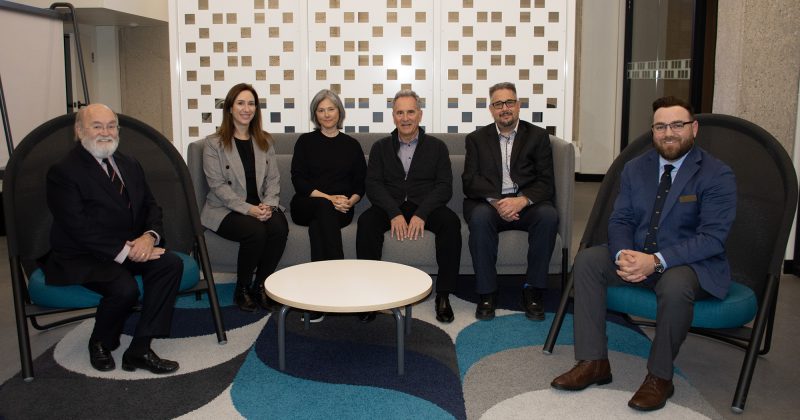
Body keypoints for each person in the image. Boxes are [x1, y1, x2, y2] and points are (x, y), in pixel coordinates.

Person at [550, 96, 737, 412]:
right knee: (588, 261)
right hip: (640, 256)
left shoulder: (717, 174)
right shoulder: (636, 168)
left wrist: (657, 261)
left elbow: (712, 238)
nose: (669, 133)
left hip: (689, 265)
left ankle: (660, 378)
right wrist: (625, 253)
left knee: (675, 285)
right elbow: (620, 218)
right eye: (661, 126)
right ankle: (594, 361)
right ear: (653, 131)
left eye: (677, 125)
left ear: (693, 128)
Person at [44, 103, 181, 374]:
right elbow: (77, 227)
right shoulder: (63, 171)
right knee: (124, 288)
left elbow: (151, 206)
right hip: (83, 255)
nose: (105, 132)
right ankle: (100, 342)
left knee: (170, 265)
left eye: (111, 126)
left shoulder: (129, 163)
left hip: (129, 247)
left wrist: (149, 237)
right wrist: (126, 251)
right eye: (97, 126)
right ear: (79, 130)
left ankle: (140, 349)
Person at [356, 89, 461, 324]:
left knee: (451, 223)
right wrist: (393, 213)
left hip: (425, 205)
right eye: (400, 113)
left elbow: (444, 186)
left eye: (410, 112)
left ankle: (443, 294)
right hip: (390, 205)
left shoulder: (437, 147)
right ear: (393, 116)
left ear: (420, 115)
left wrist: (422, 213)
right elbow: (373, 185)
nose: (405, 118)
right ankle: (368, 294)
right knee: (366, 222)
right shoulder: (380, 147)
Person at [462, 82, 558, 321]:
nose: (505, 108)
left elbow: (546, 182)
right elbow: (470, 181)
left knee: (548, 215)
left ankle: (533, 291)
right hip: (491, 204)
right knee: (480, 217)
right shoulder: (476, 139)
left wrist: (522, 200)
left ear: (518, 105)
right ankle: (487, 292)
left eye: (509, 102)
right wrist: (497, 202)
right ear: (491, 109)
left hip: (526, 204)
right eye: (498, 104)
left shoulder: (537, 136)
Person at [201, 83, 289, 313]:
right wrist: (248, 209)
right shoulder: (214, 143)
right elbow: (218, 186)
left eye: (251, 104)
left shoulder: (264, 141)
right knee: (255, 231)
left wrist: (269, 205)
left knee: (279, 226)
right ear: (230, 108)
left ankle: (261, 285)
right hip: (225, 209)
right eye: (240, 103)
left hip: (260, 205)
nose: (246, 108)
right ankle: (242, 288)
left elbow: (273, 180)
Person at [290, 89, 366, 323]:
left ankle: (318, 297)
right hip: (306, 203)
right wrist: (329, 198)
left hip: (340, 209)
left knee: (319, 225)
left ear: (339, 112)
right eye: (320, 110)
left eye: (330, 109)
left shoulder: (351, 144)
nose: (326, 114)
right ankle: (339, 284)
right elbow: (298, 179)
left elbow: (360, 182)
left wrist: (349, 201)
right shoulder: (305, 141)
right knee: (323, 209)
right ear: (315, 114)